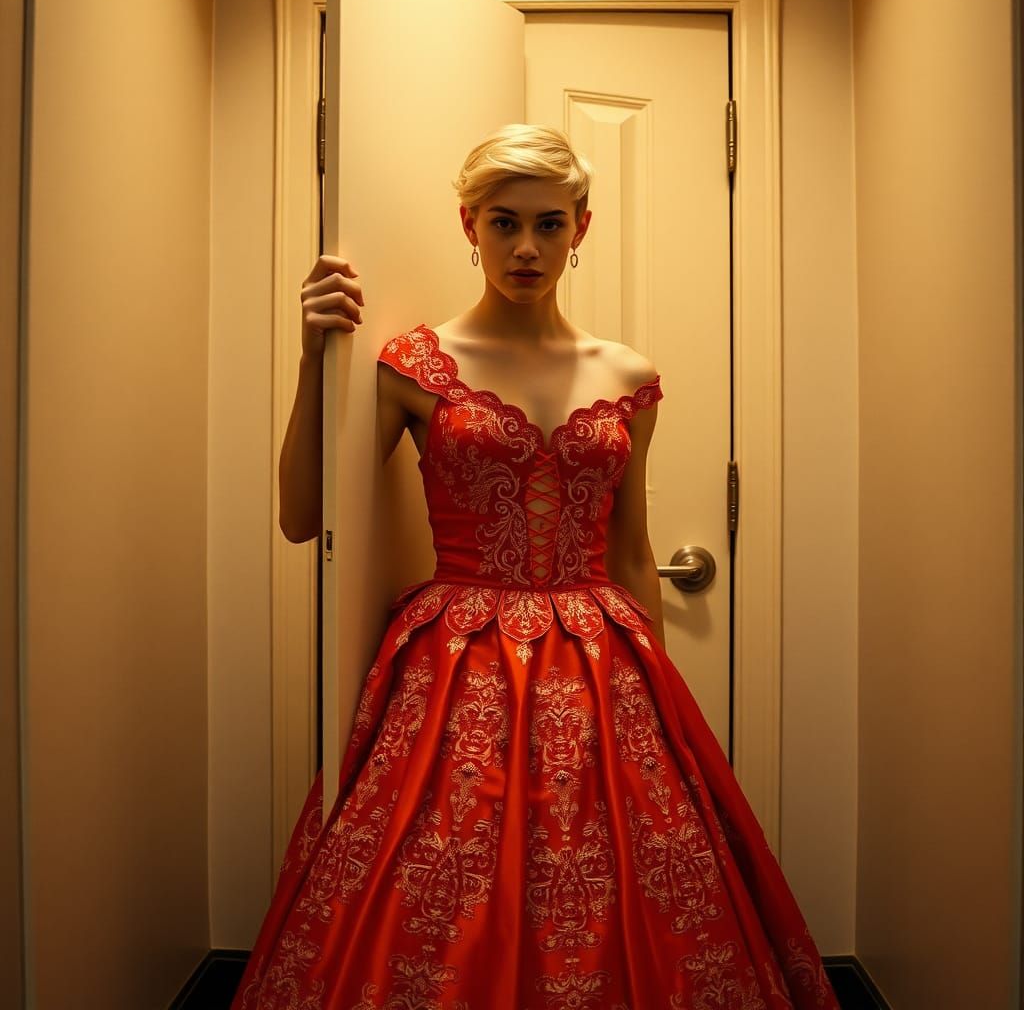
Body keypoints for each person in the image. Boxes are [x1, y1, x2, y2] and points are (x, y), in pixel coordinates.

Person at [231, 124, 841, 1010]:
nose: (526, 248)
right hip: (454, 662)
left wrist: (661, 699)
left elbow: (632, 547)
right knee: (439, 874)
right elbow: (300, 518)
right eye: (504, 223)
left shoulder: (627, 373)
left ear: (582, 229)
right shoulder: (411, 366)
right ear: (469, 224)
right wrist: (310, 361)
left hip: (606, 662)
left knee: (633, 877)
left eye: (550, 225)